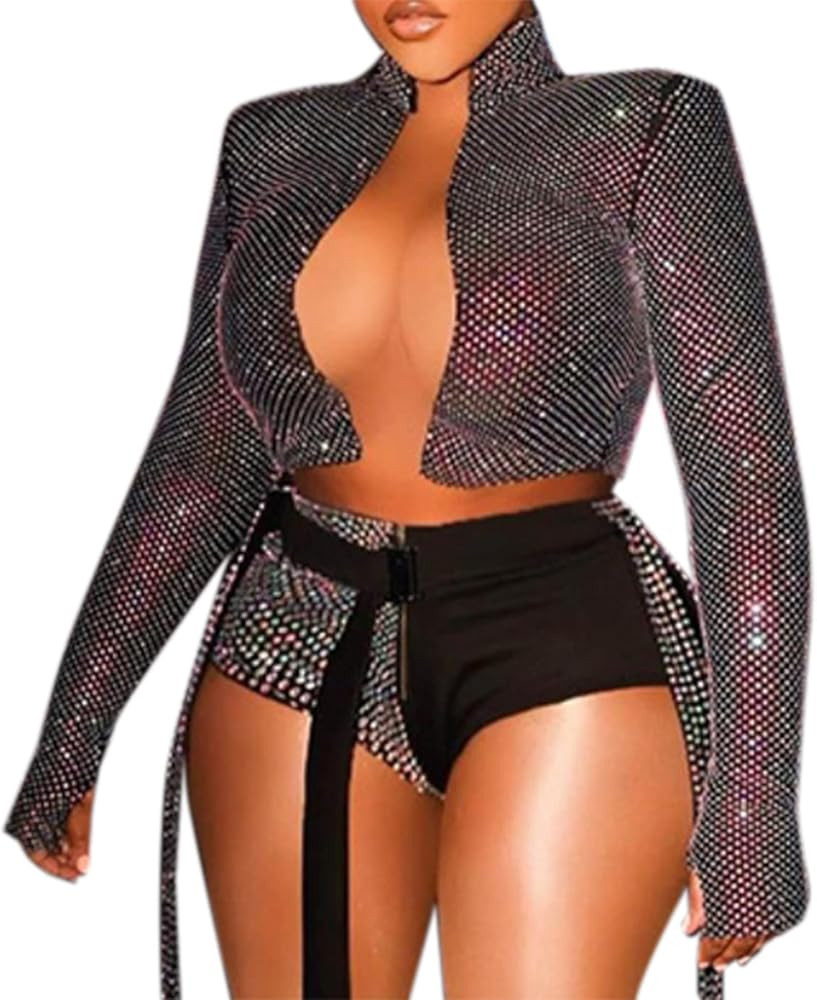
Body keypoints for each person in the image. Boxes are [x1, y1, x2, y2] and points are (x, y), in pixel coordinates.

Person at [5, 2, 811, 999]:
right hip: (293, 629)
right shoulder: (273, 144)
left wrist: (751, 806)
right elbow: (202, 458)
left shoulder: (644, 129)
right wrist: (74, 728)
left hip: (563, 636)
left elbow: (742, 474)